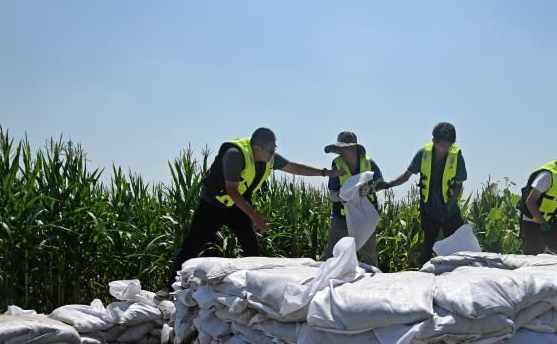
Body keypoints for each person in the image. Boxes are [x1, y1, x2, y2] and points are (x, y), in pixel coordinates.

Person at [165, 127, 339, 288]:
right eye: (270, 151)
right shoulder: (235, 155)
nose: (273, 154)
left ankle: (256, 287)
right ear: (257, 148)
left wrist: (324, 173)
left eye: (274, 149)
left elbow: (293, 167)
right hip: (212, 205)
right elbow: (232, 191)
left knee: (252, 248)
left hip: (237, 207)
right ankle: (168, 287)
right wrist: (255, 217)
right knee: (191, 245)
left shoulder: (269, 158)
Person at [377, 122, 466, 266]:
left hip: (450, 211)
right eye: (442, 145)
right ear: (434, 141)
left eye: (448, 145)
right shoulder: (423, 154)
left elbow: (459, 185)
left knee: (458, 246)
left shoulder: (456, 156)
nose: (445, 149)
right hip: (429, 210)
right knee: (427, 248)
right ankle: (425, 275)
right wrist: (389, 184)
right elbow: (406, 176)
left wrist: (450, 204)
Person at [321, 131, 385, 266]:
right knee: (331, 254)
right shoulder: (336, 164)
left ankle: (373, 284)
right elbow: (332, 193)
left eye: (343, 148)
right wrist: (339, 196)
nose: (340, 151)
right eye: (339, 148)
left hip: (365, 218)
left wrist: (370, 189)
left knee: (370, 255)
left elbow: (381, 183)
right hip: (341, 217)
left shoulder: (369, 163)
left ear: (354, 148)